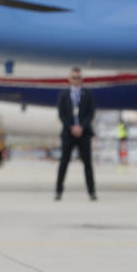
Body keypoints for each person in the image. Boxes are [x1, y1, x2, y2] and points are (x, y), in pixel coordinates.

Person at [55, 66, 97, 201]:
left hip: (84, 134)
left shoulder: (87, 94)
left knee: (87, 164)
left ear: (81, 79)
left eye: (78, 78)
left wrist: (82, 127)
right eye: (74, 77)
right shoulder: (64, 95)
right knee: (64, 162)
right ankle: (58, 191)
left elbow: (91, 113)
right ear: (69, 79)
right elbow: (61, 114)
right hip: (68, 133)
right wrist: (72, 127)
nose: (76, 80)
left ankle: (91, 191)